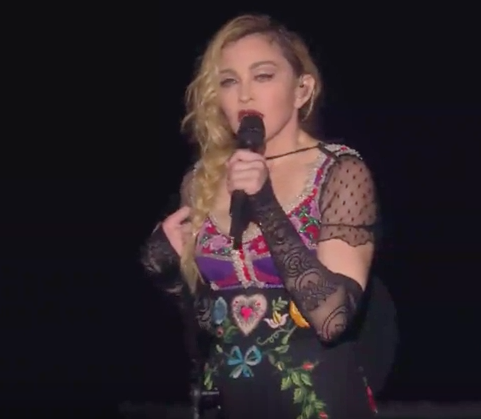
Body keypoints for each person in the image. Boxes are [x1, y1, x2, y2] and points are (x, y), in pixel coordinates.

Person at [142, 14, 381, 418]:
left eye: (263, 76)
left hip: (317, 403)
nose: (244, 95)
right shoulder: (203, 180)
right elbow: (207, 322)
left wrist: (265, 203)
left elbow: (333, 318)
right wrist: (166, 268)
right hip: (228, 402)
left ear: (302, 89)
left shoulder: (340, 171)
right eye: (228, 81)